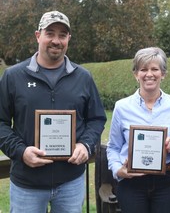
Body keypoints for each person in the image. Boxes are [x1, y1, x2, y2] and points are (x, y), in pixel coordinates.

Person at [0, 11, 107, 213]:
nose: (56, 41)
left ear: (69, 39)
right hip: (26, 184)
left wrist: (85, 145)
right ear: (38, 36)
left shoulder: (83, 77)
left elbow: (96, 119)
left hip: (71, 182)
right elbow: (1, 122)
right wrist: (21, 152)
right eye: (50, 33)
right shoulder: (13, 76)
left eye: (62, 35)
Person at [106, 47, 170, 213]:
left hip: (167, 182)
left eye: (155, 69)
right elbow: (113, 147)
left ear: (163, 73)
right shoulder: (122, 107)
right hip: (132, 183)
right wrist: (118, 169)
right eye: (143, 69)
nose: (149, 74)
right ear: (136, 74)